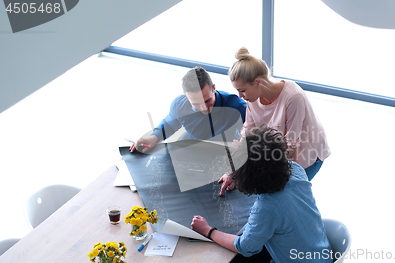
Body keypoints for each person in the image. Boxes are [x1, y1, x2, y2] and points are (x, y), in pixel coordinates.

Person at [191, 126, 332, 263]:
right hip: (323, 255)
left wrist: (208, 231)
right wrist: (236, 174)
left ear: (250, 179)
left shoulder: (266, 208)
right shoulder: (297, 170)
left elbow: (245, 247)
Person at [218, 48, 330, 195]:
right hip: (279, 151)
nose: (240, 96)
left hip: (305, 155)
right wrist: (234, 171)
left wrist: (281, 183)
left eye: (242, 90)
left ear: (257, 82)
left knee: (286, 197)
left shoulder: (293, 97)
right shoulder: (252, 97)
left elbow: (292, 147)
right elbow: (248, 133)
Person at [130, 66, 246, 153]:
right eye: (196, 104)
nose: (203, 108)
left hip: (225, 153)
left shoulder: (238, 107)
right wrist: (153, 138)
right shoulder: (179, 105)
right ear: (186, 96)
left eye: (207, 100)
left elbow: (255, 136)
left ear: (214, 88)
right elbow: (169, 125)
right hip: (193, 151)